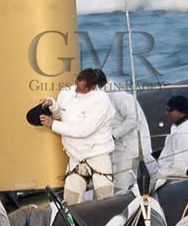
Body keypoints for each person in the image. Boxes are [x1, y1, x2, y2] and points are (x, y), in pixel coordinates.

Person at [35, 68, 115, 203]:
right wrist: (52, 104)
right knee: (71, 199)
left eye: (82, 88)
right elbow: (60, 114)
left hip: (98, 155)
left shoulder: (101, 101)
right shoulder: (67, 92)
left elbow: (83, 131)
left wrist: (53, 125)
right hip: (75, 156)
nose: (77, 90)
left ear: (93, 87)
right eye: (77, 85)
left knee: (105, 198)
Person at [97, 70, 155, 194]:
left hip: (130, 152)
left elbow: (134, 119)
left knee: (120, 190)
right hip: (125, 152)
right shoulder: (108, 98)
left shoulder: (118, 96)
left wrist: (113, 135)